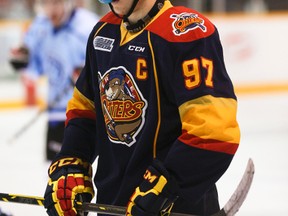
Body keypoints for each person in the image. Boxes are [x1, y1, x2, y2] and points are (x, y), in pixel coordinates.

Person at [43, 0, 241, 215]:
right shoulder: (104, 32)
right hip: (113, 205)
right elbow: (86, 109)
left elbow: (213, 134)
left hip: (171, 209)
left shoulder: (185, 33)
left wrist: (165, 187)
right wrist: (72, 160)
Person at [9, 0, 99, 160]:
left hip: (86, 112)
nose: (51, 9)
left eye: (56, 2)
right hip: (56, 112)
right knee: (55, 172)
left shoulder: (88, 25)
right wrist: (23, 60)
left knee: (84, 169)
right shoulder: (40, 25)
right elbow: (35, 66)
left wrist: (88, 73)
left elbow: (107, 62)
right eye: (46, 3)